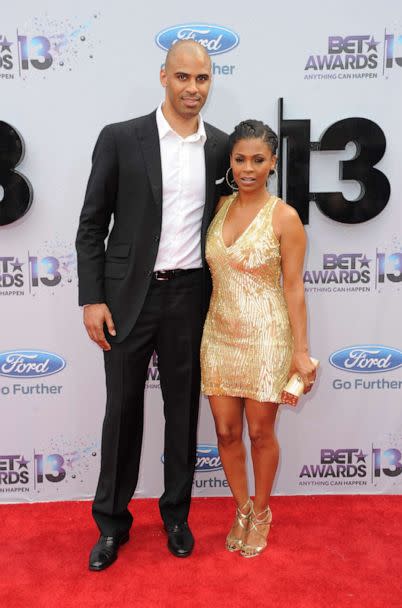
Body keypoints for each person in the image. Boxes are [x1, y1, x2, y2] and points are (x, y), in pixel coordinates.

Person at [76, 39, 229, 571]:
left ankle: (177, 516)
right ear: (163, 76)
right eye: (183, 77)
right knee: (122, 412)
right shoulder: (121, 138)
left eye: (203, 79)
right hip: (126, 298)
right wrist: (92, 297)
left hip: (190, 296)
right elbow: (92, 224)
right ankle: (112, 524)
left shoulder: (221, 147)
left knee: (183, 410)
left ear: (212, 81)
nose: (193, 89)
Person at [200, 120, 316, 558]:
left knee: (259, 431)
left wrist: (300, 352)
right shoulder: (219, 207)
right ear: (230, 161)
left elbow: (294, 288)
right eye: (240, 159)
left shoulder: (284, 216)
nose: (248, 168)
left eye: (258, 160)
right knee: (226, 432)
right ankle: (242, 508)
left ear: (273, 163)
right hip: (219, 335)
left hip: (268, 337)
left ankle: (263, 512)